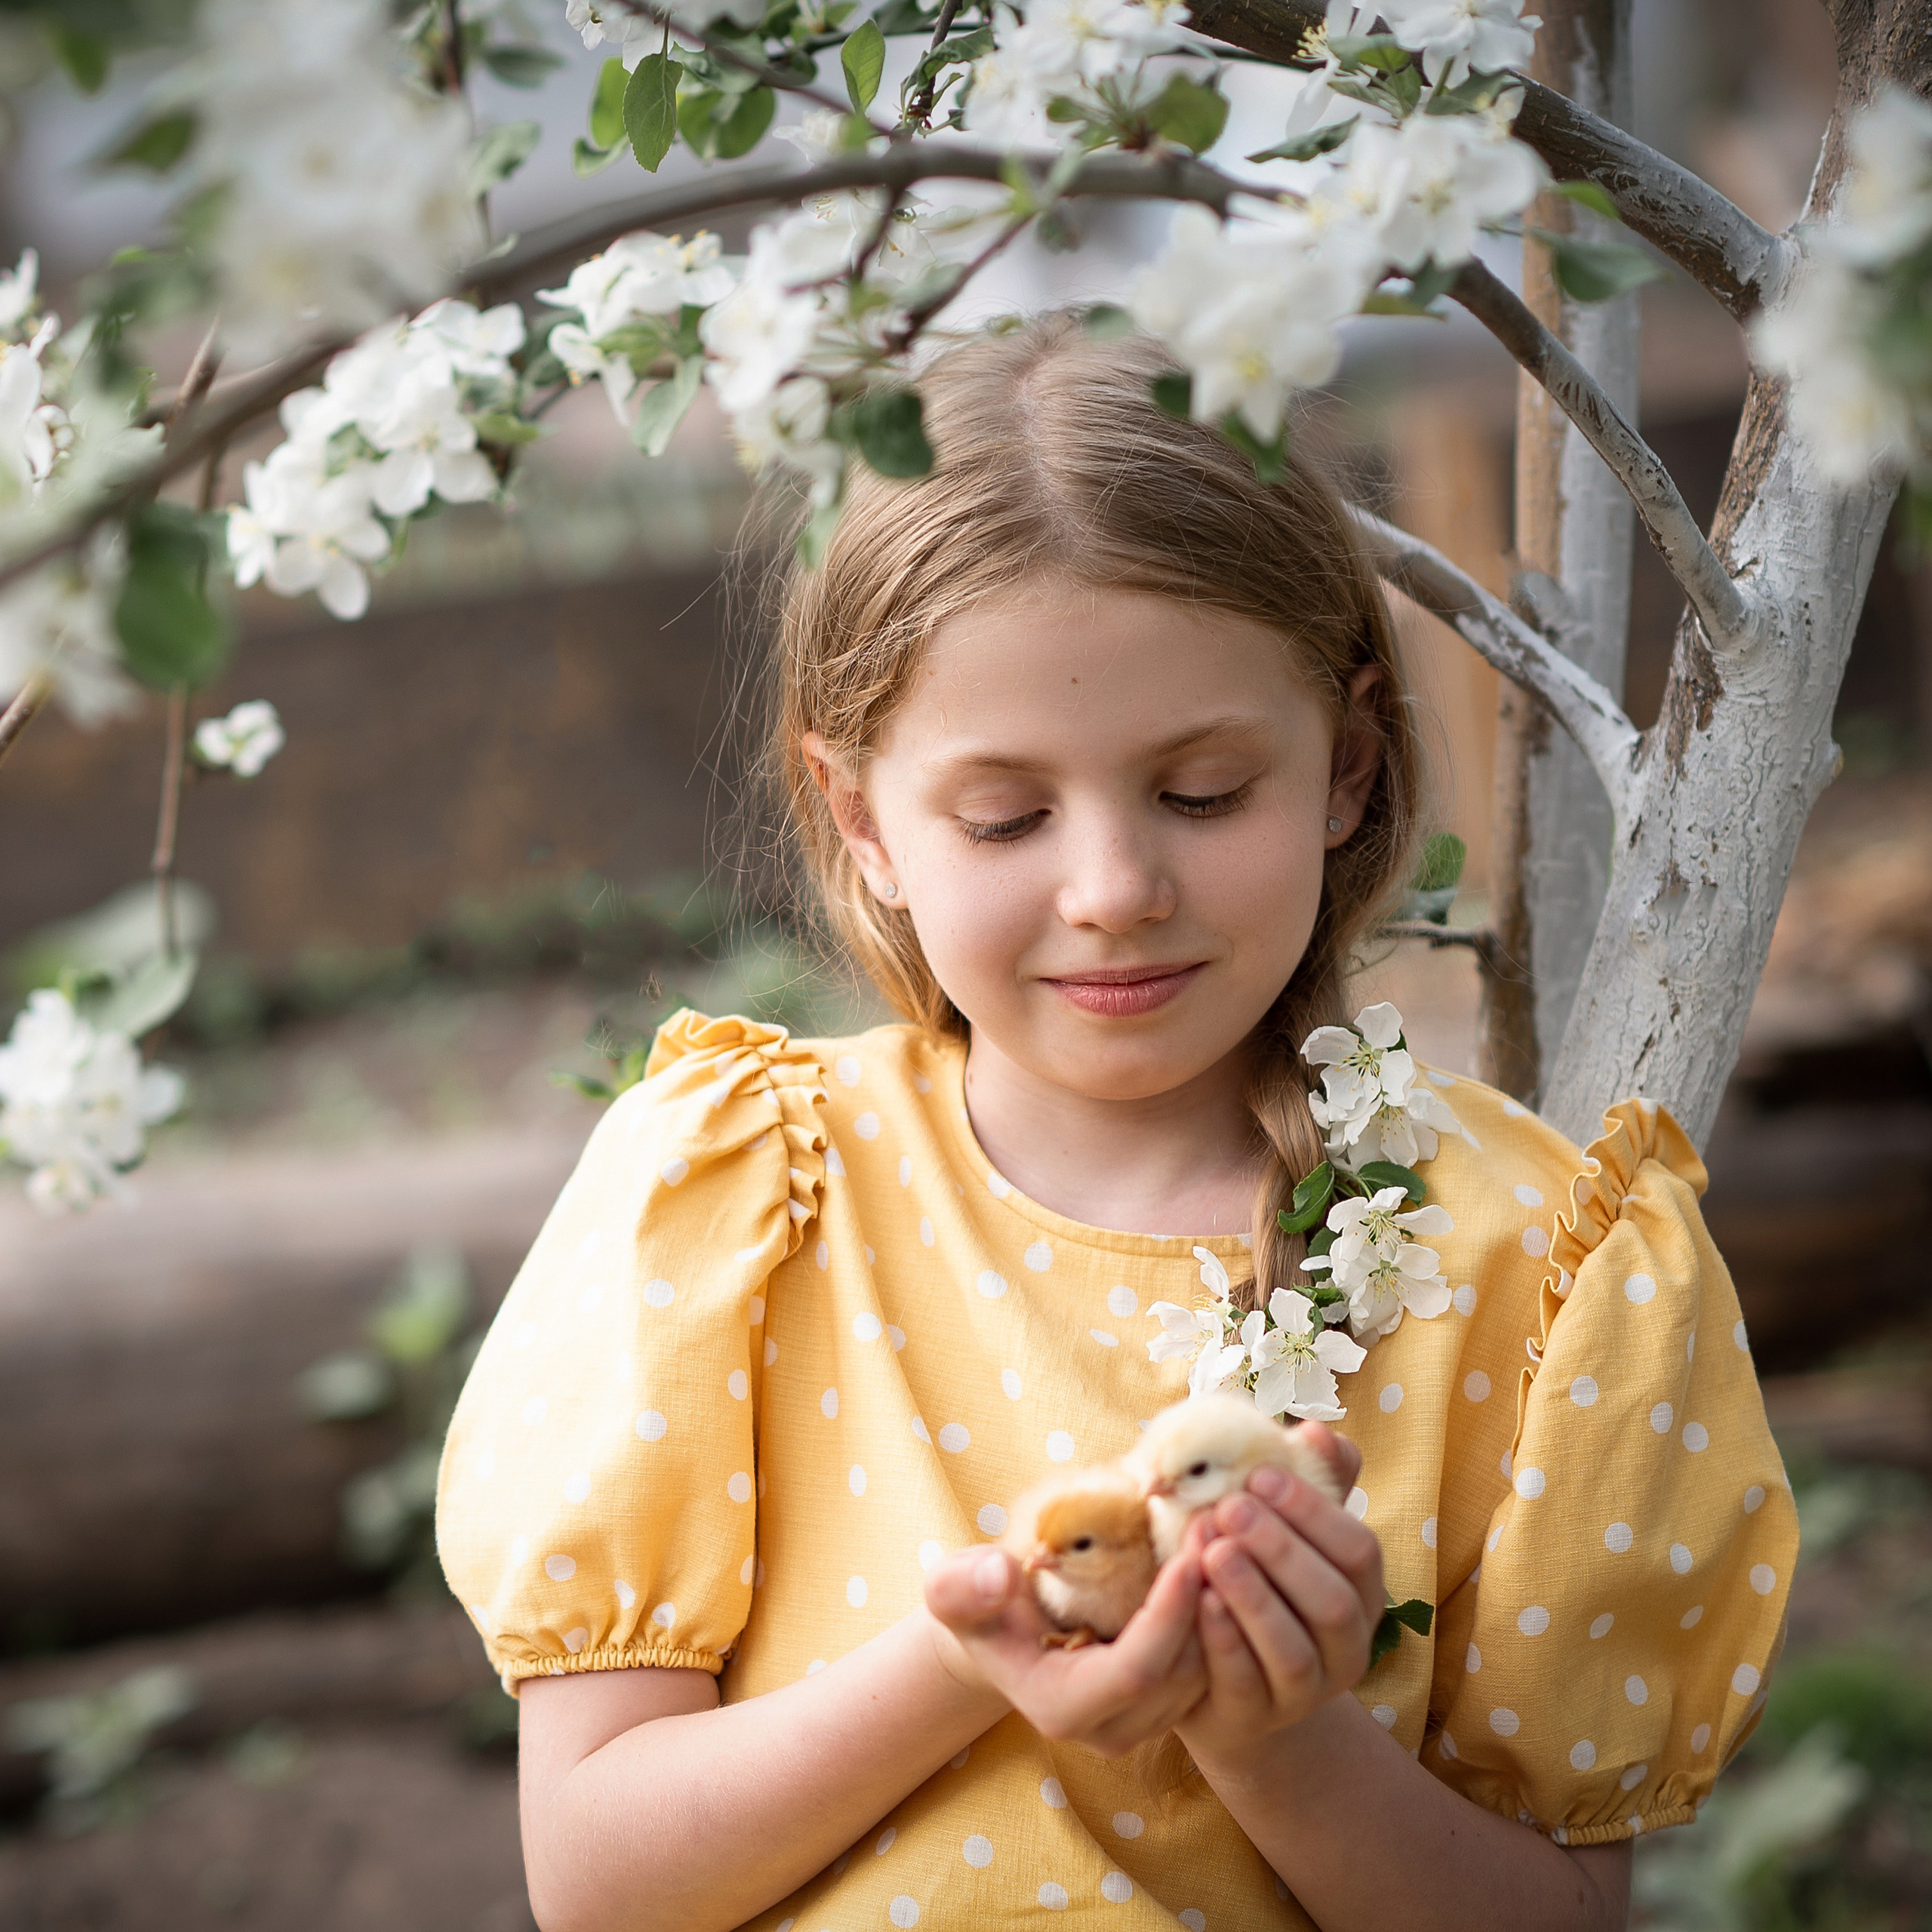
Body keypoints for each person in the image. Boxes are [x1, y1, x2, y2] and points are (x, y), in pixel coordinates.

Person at [435, 313, 1796, 1932]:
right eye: (1005, 813)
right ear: (861, 818)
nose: (1109, 891)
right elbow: (597, 1882)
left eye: (1201, 792)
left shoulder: (1534, 1267)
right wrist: (966, 1656)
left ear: (1347, 767)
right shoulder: (737, 1203)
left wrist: (1277, 1739)